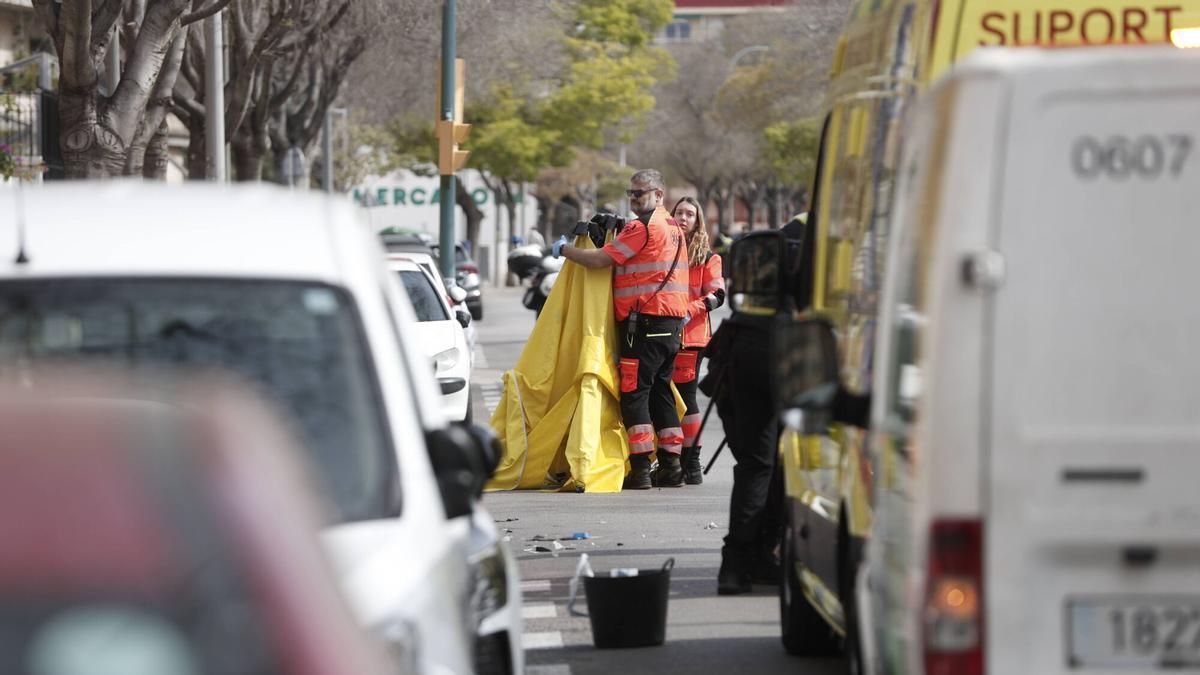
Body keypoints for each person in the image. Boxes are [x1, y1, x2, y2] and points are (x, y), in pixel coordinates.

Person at [553, 169, 690, 489]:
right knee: (661, 394)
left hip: (644, 325)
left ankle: (641, 468)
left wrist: (564, 250)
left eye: (639, 193)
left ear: (659, 195)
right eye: (631, 193)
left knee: (634, 395)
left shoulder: (642, 227)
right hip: (671, 327)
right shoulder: (673, 227)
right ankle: (672, 466)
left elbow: (601, 260)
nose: (633, 198)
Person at [670, 196, 724, 485]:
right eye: (679, 212)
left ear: (698, 220)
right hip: (662, 334)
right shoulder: (663, 249)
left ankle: (691, 462)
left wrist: (689, 310)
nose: (683, 217)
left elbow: (718, 295)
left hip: (691, 336)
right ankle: (669, 459)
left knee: (686, 397)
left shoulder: (708, 257)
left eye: (689, 213)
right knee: (664, 397)